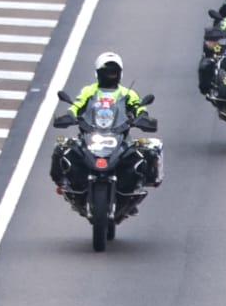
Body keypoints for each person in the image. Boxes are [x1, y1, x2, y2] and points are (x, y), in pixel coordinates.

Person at [55, 50, 162, 198]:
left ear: (120, 73)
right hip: (91, 132)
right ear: (98, 73)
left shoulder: (128, 93)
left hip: (119, 134)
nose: (110, 74)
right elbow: (76, 105)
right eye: (106, 71)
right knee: (62, 148)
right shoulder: (89, 91)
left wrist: (142, 117)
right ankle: (64, 183)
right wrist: (70, 115)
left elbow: (140, 108)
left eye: (113, 71)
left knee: (148, 151)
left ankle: (138, 184)